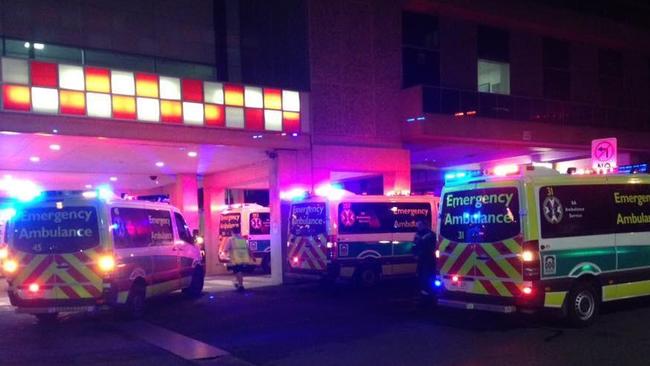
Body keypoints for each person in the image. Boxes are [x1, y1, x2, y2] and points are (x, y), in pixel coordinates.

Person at [223, 226, 254, 291]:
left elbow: (226, 249)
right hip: (243, 258)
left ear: (232, 232)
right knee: (238, 272)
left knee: (238, 272)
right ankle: (237, 283)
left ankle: (240, 285)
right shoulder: (242, 239)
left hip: (236, 259)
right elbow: (248, 249)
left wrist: (225, 255)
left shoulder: (231, 239)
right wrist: (252, 257)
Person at [413, 220, 437, 296]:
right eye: (417, 225)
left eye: (419, 225)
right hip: (421, 258)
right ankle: (423, 289)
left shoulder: (430, 234)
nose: (418, 227)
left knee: (427, 274)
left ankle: (428, 290)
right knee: (420, 274)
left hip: (428, 258)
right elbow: (415, 245)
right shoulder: (418, 234)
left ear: (424, 225)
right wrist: (415, 254)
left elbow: (431, 247)